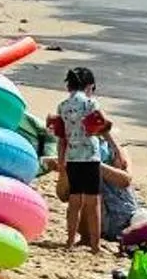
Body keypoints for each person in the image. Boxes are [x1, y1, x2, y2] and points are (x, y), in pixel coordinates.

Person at [47, 66, 112, 252]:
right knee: (94, 202)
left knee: (75, 201)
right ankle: (95, 245)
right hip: (91, 156)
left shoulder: (62, 106)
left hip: (73, 157)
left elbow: (61, 138)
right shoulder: (91, 103)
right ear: (89, 86)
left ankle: (69, 242)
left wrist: (61, 162)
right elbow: (104, 124)